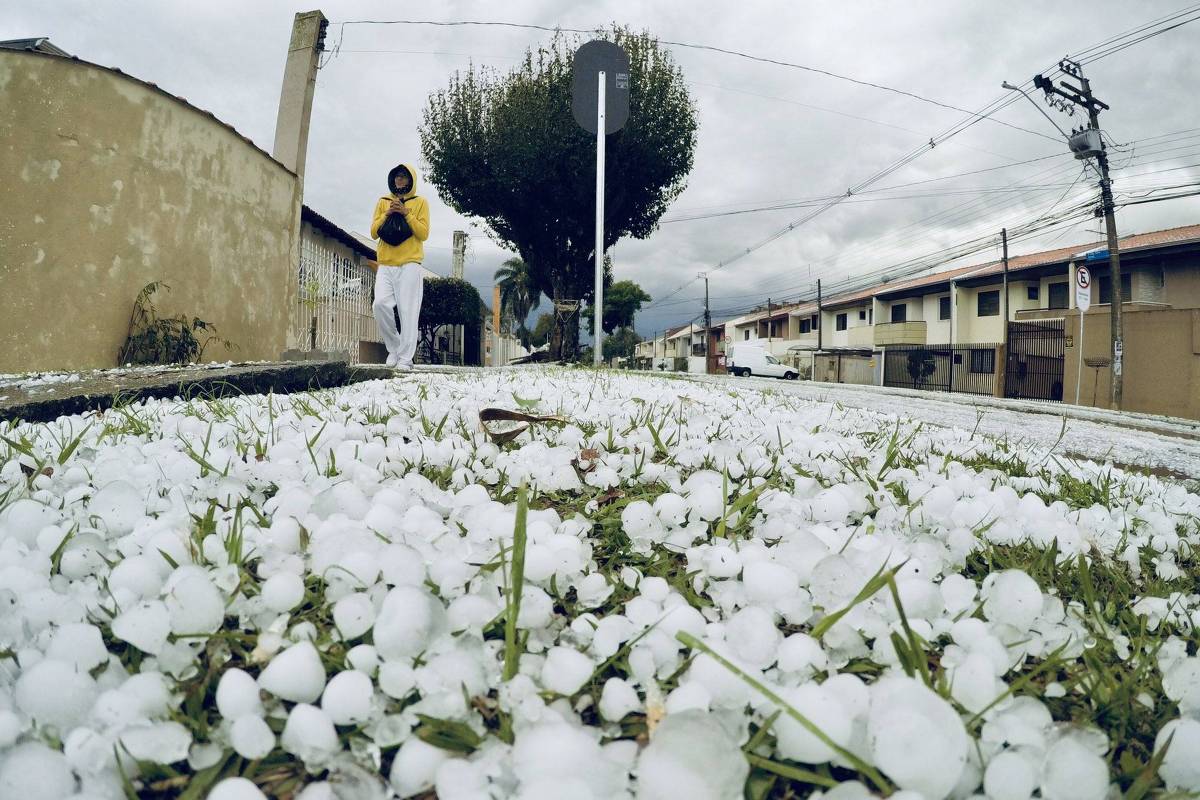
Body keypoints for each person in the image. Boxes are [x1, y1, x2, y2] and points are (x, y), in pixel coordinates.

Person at [370, 163, 430, 369]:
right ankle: (394, 347)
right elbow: (373, 232)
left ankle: (405, 358)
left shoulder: (420, 202)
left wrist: (406, 212)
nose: (399, 180)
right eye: (396, 176)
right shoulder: (383, 201)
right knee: (380, 305)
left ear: (411, 180)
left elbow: (423, 233)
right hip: (386, 263)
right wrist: (387, 213)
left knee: (408, 310)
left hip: (410, 263)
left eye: (404, 176)